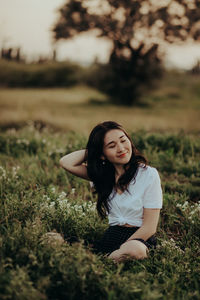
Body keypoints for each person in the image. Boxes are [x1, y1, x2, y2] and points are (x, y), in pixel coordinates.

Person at [59, 121, 163, 263]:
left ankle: (99, 261)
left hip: (139, 238)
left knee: (135, 250)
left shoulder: (148, 174)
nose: (121, 148)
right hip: (111, 236)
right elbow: (66, 162)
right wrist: (94, 150)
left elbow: (150, 227)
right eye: (112, 146)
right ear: (102, 154)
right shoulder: (102, 175)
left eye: (123, 140)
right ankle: (103, 259)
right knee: (51, 239)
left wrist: (122, 247)